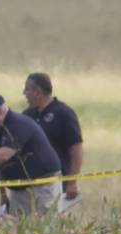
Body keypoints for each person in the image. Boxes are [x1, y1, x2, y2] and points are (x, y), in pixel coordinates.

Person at [22, 72, 83, 200]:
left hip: (58, 181)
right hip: (31, 184)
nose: (24, 93)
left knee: (53, 219)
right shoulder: (27, 115)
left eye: (27, 89)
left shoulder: (63, 113)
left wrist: (72, 182)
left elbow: (76, 149)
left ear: (37, 92)